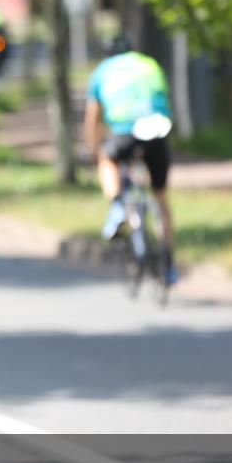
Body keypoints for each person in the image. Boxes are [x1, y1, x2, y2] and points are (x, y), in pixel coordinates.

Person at [83, 35, 179, 285]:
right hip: (157, 129)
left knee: (108, 158)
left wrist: (94, 149)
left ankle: (117, 207)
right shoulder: (149, 64)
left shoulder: (103, 71)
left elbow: (93, 118)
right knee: (161, 198)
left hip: (125, 131)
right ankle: (169, 266)